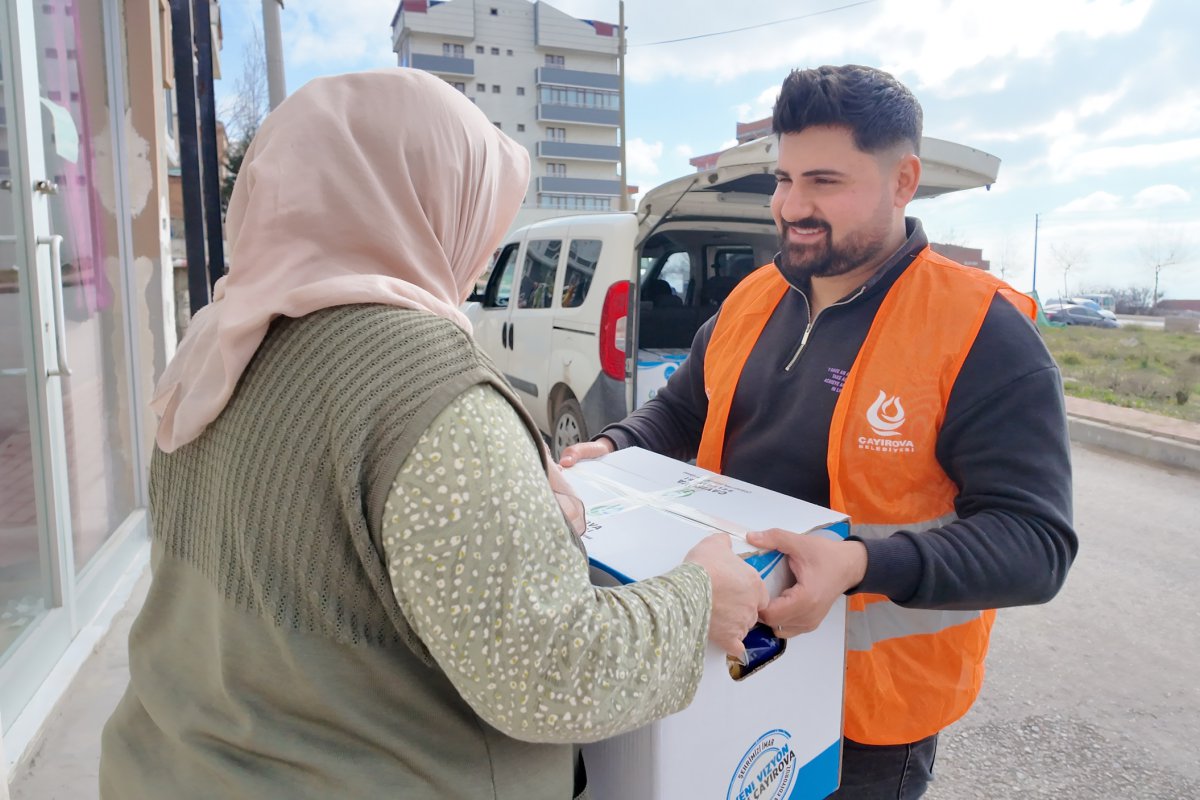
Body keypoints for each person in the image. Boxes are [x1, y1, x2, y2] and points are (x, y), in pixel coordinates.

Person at [99, 69, 767, 800]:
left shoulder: (219, 338)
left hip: (167, 762)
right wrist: (700, 598)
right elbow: (550, 675)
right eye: (480, 212)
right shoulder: (423, 387)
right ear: (423, 200)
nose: (481, 252)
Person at [562, 64, 1077, 799]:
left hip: (868, 714)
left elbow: (1037, 542)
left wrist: (862, 564)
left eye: (825, 182)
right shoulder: (752, 296)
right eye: (783, 179)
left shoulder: (980, 331)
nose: (791, 206)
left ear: (904, 181)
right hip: (729, 663)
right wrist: (611, 446)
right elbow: (680, 410)